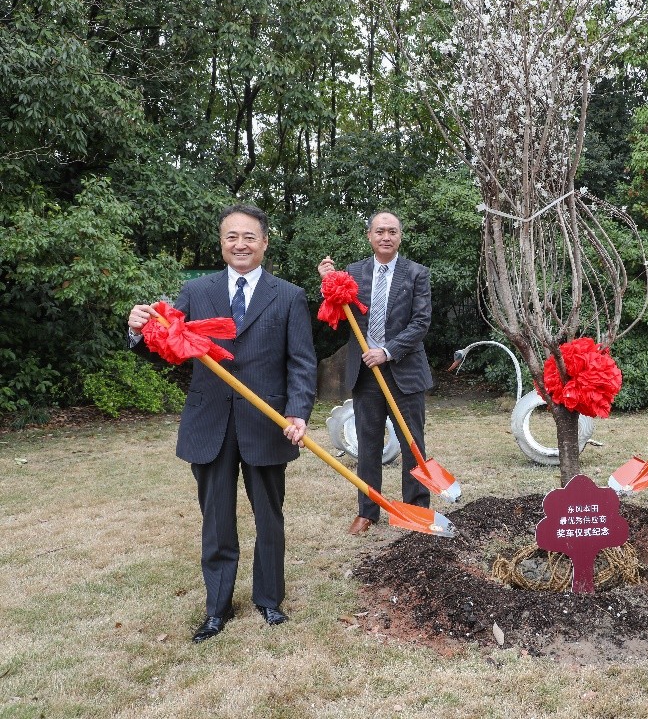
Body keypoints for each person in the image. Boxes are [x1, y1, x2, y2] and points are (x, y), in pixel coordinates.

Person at [127, 203, 317, 643]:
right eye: (232, 236)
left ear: (265, 243)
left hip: (266, 423)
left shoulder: (288, 295)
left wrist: (298, 413)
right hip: (210, 422)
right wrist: (140, 331)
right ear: (221, 242)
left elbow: (302, 364)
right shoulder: (196, 292)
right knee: (216, 519)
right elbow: (168, 345)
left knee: (269, 516)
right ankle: (217, 608)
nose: (241, 244)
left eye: (250, 236)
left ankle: (269, 600)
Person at [317, 211, 433, 536]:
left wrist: (387, 351)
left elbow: (421, 322)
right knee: (368, 444)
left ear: (400, 236)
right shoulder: (352, 273)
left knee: (413, 445)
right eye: (380, 231)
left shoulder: (416, 274)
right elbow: (334, 311)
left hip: (404, 372)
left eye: (392, 231)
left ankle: (417, 511)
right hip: (366, 375)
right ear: (369, 235)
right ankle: (368, 512)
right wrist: (328, 281)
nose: (386, 236)